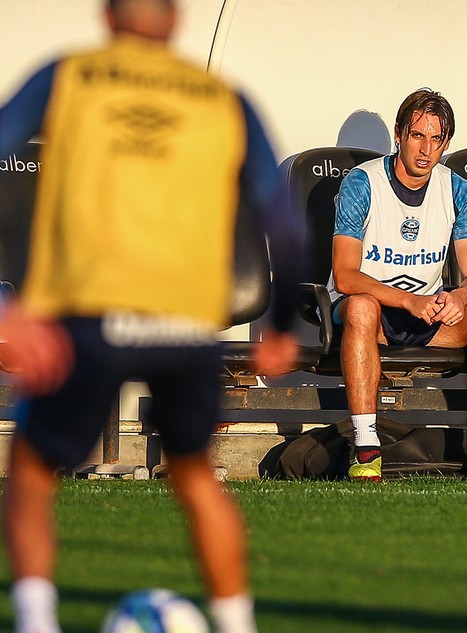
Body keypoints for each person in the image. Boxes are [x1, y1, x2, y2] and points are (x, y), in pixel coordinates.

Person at [0, 1, 304, 632]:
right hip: (188, 325)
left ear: (108, 16)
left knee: (31, 471)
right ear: (177, 20)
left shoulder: (69, 75)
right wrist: (279, 327)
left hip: (91, 315)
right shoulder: (224, 97)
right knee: (194, 473)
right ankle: (237, 622)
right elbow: (284, 221)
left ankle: (35, 621)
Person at [331, 88, 467, 482]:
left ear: (446, 144)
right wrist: (408, 301)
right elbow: (346, 276)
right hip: (374, 310)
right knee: (363, 306)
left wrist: (459, 296)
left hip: (427, 313)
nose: (425, 149)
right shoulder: (361, 183)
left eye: (436, 139)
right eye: (418, 136)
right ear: (399, 134)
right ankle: (366, 447)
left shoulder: (458, 190)